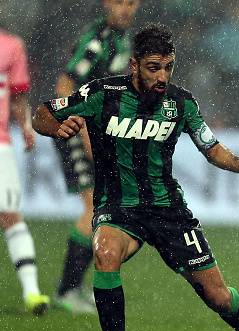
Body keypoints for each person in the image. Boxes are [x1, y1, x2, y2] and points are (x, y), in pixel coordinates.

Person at [33, 24, 239, 331]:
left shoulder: (181, 103)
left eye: (168, 67)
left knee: (216, 295)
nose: (162, 75)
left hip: (169, 212)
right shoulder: (102, 93)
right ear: (134, 65)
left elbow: (210, 147)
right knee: (105, 253)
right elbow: (43, 113)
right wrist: (55, 128)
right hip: (119, 208)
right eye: (154, 67)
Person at [53, 0, 140, 314]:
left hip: (101, 135)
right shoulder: (98, 38)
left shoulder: (125, 39)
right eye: (119, 2)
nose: (125, 9)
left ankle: (73, 287)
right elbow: (65, 83)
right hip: (75, 130)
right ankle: (67, 290)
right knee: (92, 207)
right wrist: (82, 130)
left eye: (131, 3)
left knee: (101, 207)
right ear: (107, 4)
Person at [0, 28, 50, 315]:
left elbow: (18, 95)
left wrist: (26, 127)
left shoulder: (11, 46)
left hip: (1, 145)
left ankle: (32, 293)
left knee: (10, 215)